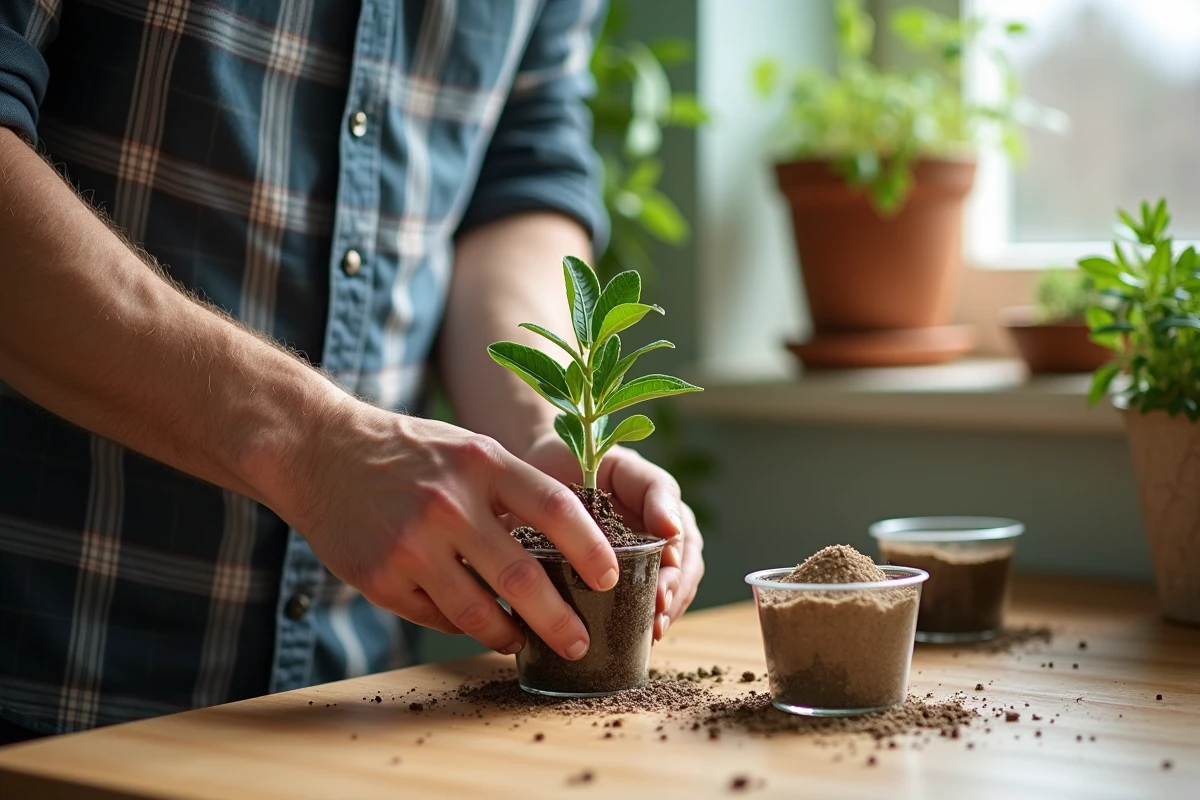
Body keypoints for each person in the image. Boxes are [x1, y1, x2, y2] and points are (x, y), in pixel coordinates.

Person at [0, 0, 704, 744]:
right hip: (46, 672)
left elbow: (518, 179)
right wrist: (313, 446)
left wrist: (539, 439)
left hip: (354, 706)